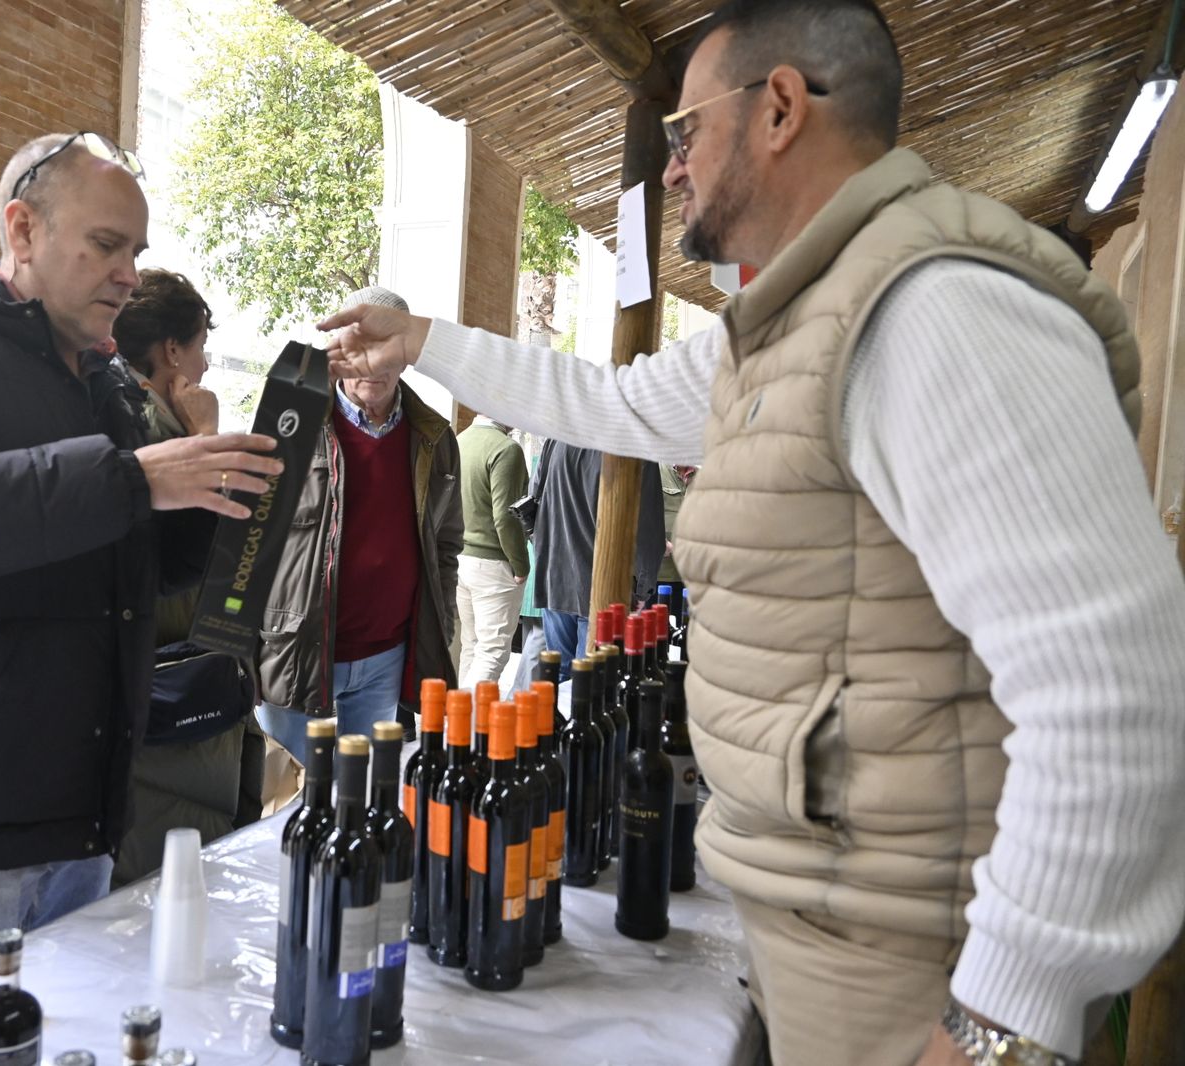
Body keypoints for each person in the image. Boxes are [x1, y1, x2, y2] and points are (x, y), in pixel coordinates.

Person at [317, 2, 1185, 1063]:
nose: (672, 166)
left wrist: (1002, 1024)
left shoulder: (938, 310)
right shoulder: (785, 330)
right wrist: (424, 342)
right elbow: (610, 401)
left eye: (685, 131)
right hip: (823, 938)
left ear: (779, 109)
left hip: (915, 974)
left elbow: (1116, 693)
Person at [0, 132, 282, 998]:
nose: (129, 276)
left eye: (136, 251)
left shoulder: (101, 381)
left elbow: (134, 565)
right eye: (107, 245)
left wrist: (226, 500)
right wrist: (131, 479)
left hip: (83, 819)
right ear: (22, 229)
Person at [254, 286, 461, 763]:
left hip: (386, 657)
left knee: (364, 791)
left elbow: (447, 543)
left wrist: (442, 621)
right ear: (339, 350)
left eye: (387, 349)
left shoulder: (433, 437)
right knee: (290, 795)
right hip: (294, 650)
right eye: (361, 347)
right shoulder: (292, 422)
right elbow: (251, 539)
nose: (373, 364)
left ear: (407, 356)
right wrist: (244, 651)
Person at [109, 268, 265, 884]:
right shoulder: (158, 430)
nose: (203, 364)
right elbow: (212, 550)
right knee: (172, 878)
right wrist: (206, 434)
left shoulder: (113, 408)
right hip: (180, 697)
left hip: (164, 692)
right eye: (200, 346)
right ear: (172, 350)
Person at [530, 440, 664, 680]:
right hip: (603, 586)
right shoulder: (636, 445)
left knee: (559, 678)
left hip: (555, 578)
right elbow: (647, 530)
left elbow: (533, 503)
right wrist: (642, 590)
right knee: (592, 682)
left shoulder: (556, 438)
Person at [453, 415, 528, 684]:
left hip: (461, 558)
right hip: (494, 564)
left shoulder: (459, 440)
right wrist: (521, 564)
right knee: (492, 653)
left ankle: (462, 711)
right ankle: (471, 711)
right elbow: (505, 516)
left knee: (471, 646)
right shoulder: (506, 449)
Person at [657, 463, 697, 605]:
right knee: (658, 616)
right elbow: (643, 513)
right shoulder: (656, 471)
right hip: (662, 573)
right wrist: (657, 541)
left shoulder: (705, 477)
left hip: (693, 576)